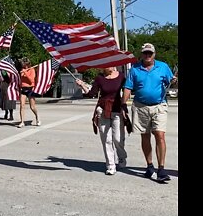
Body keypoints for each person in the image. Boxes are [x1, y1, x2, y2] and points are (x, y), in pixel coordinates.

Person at [123, 43, 175, 183]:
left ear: (154, 54)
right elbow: (128, 87)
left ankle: (161, 169)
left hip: (159, 105)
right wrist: (123, 104)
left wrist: (174, 81)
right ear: (142, 54)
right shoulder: (135, 68)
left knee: (160, 135)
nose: (147, 56)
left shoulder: (163, 66)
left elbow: (171, 82)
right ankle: (149, 165)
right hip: (140, 106)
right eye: (145, 53)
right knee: (145, 136)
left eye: (149, 53)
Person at [75, 65, 130, 175]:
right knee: (106, 140)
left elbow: (128, 90)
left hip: (117, 110)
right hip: (103, 110)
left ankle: (122, 157)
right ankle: (110, 165)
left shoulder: (121, 77)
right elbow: (92, 94)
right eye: (108, 65)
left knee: (118, 139)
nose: (112, 66)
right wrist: (82, 85)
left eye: (113, 64)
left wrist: (124, 106)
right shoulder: (99, 78)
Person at [17, 57, 40, 128]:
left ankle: (37, 118)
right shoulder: (22, 70)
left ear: (26, 64)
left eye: (23, 63)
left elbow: (31, 81)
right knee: (22, 106)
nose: (22, 65)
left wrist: (25, 73)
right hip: (23, 89)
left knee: (32, 107)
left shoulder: (32, 70)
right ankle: (22, 122)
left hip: (30, 89)